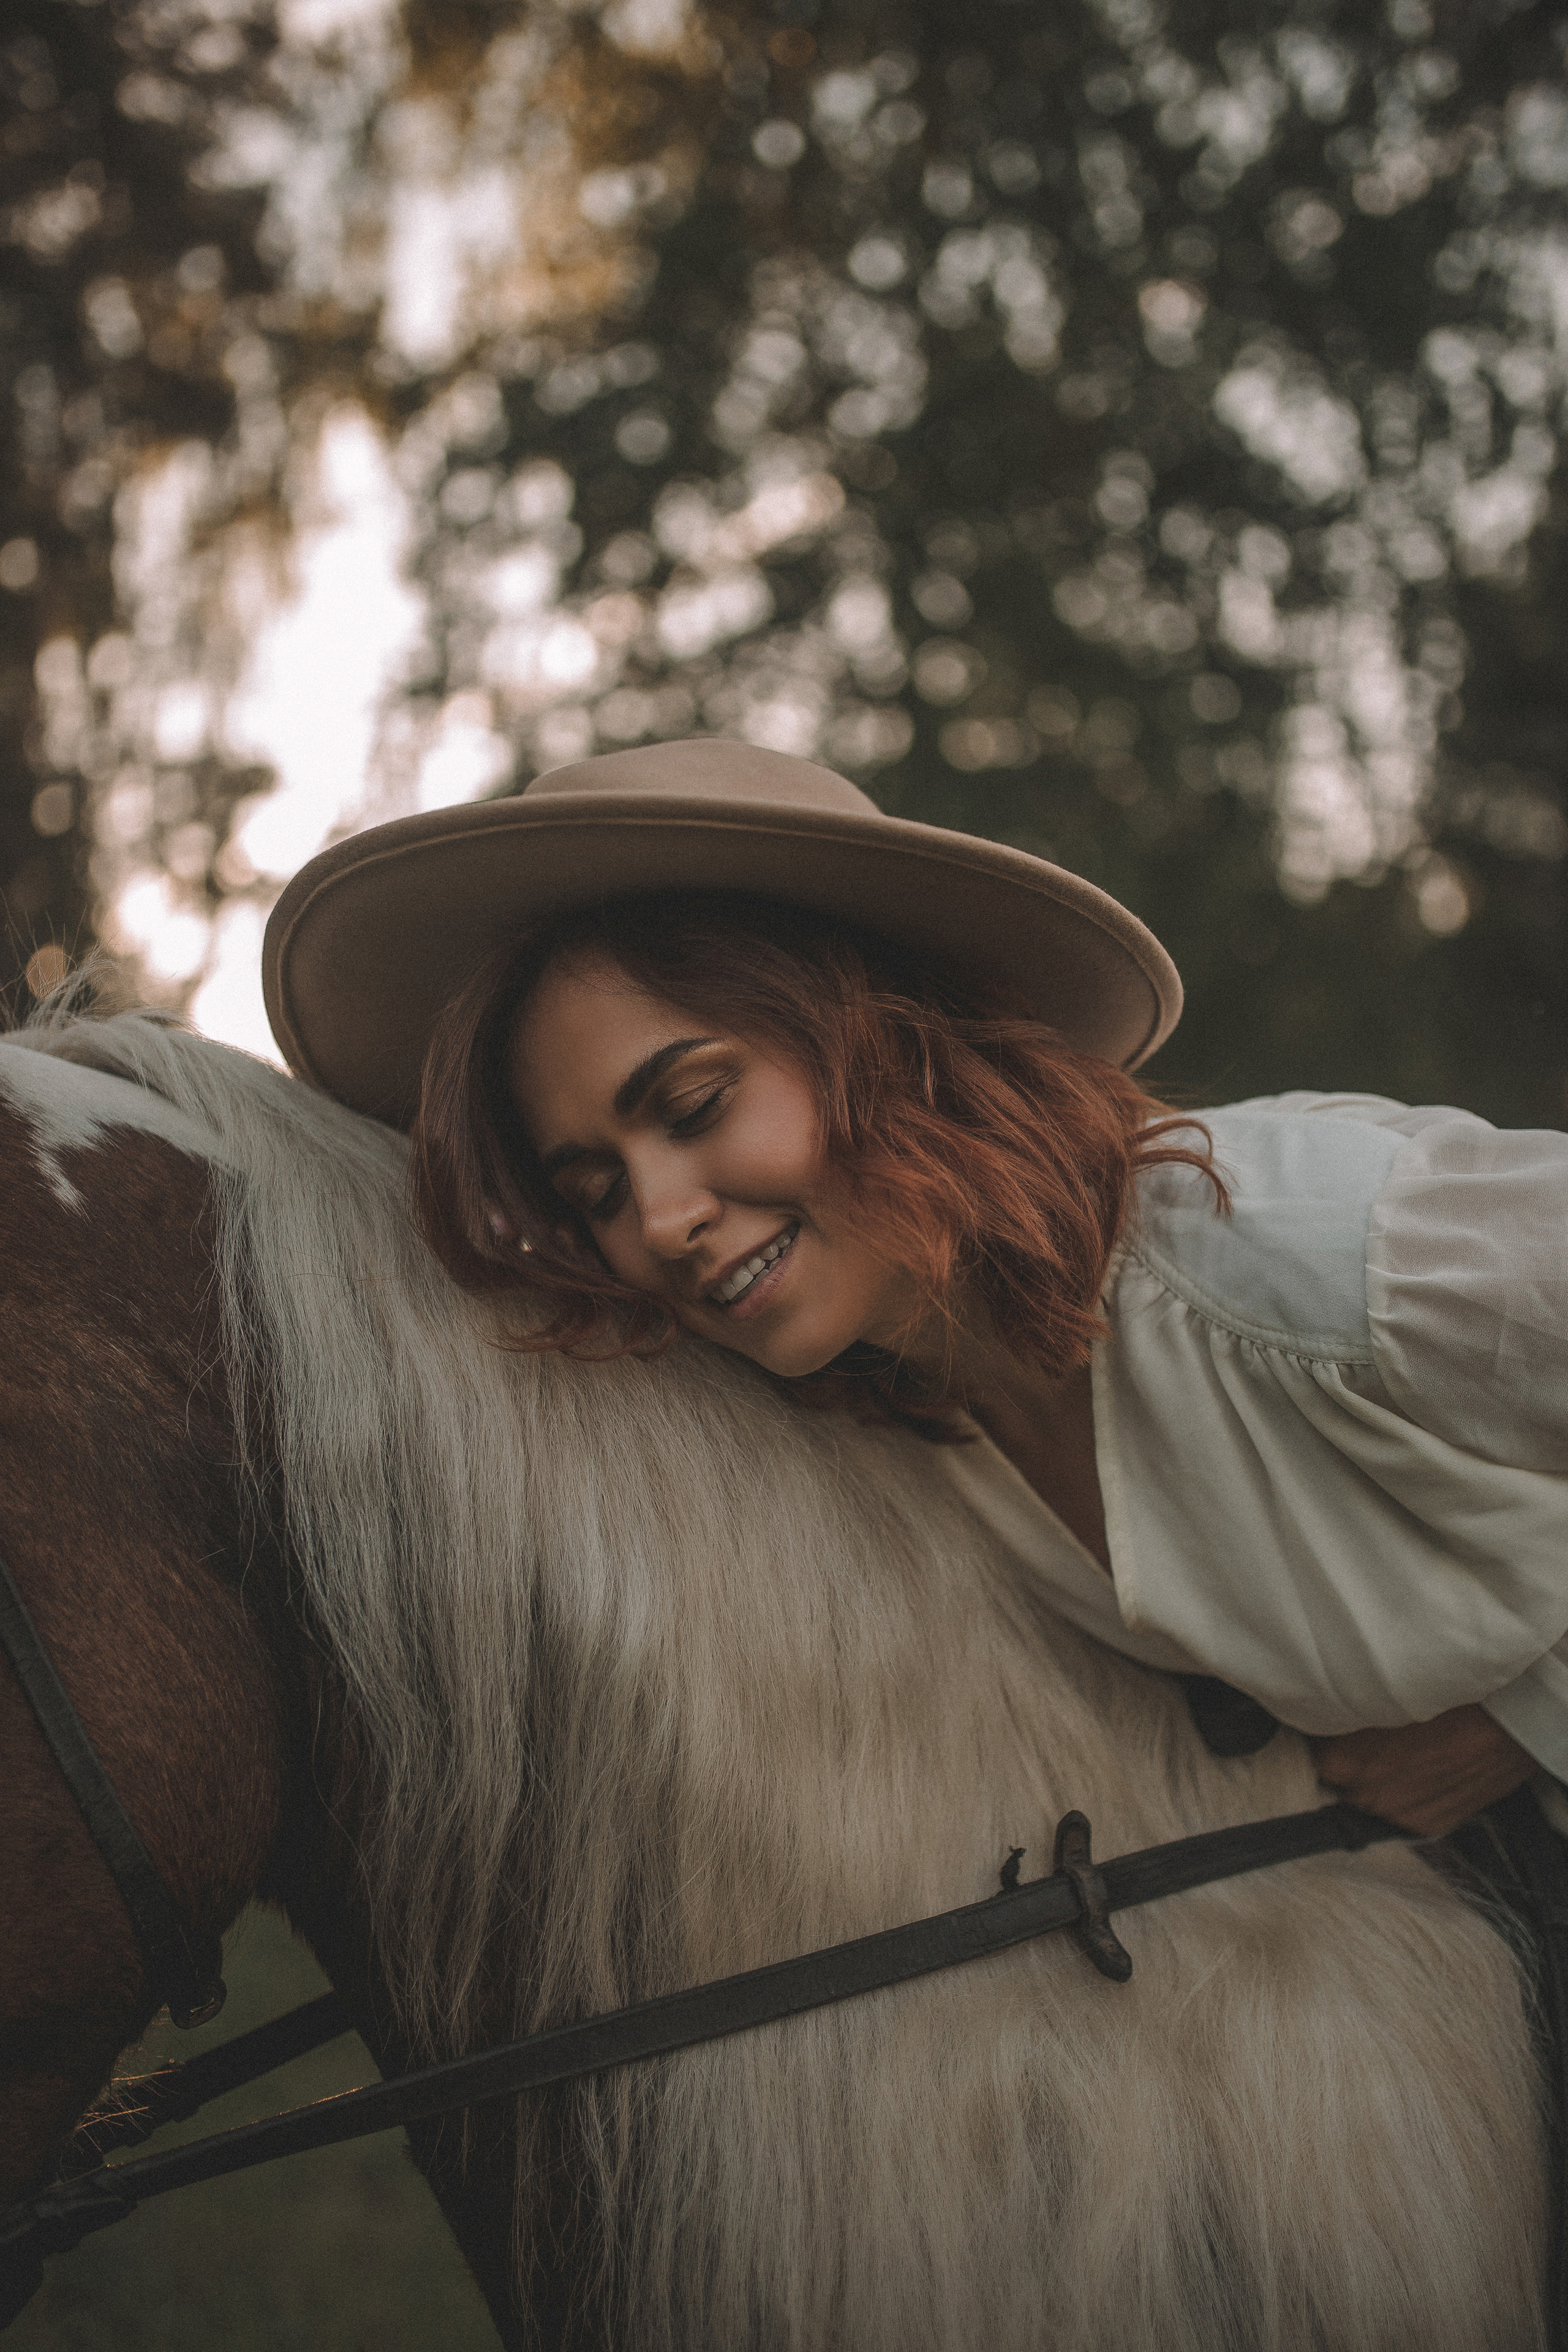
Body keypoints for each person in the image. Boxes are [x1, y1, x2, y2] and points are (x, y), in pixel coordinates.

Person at [263, 738, 1568, 1836]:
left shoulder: (1305, 1253)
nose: (659, 1220)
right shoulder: (893, 1418)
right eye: (593, 1189)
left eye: (695, 1101)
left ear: (883, 1038)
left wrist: (1524, 1719)